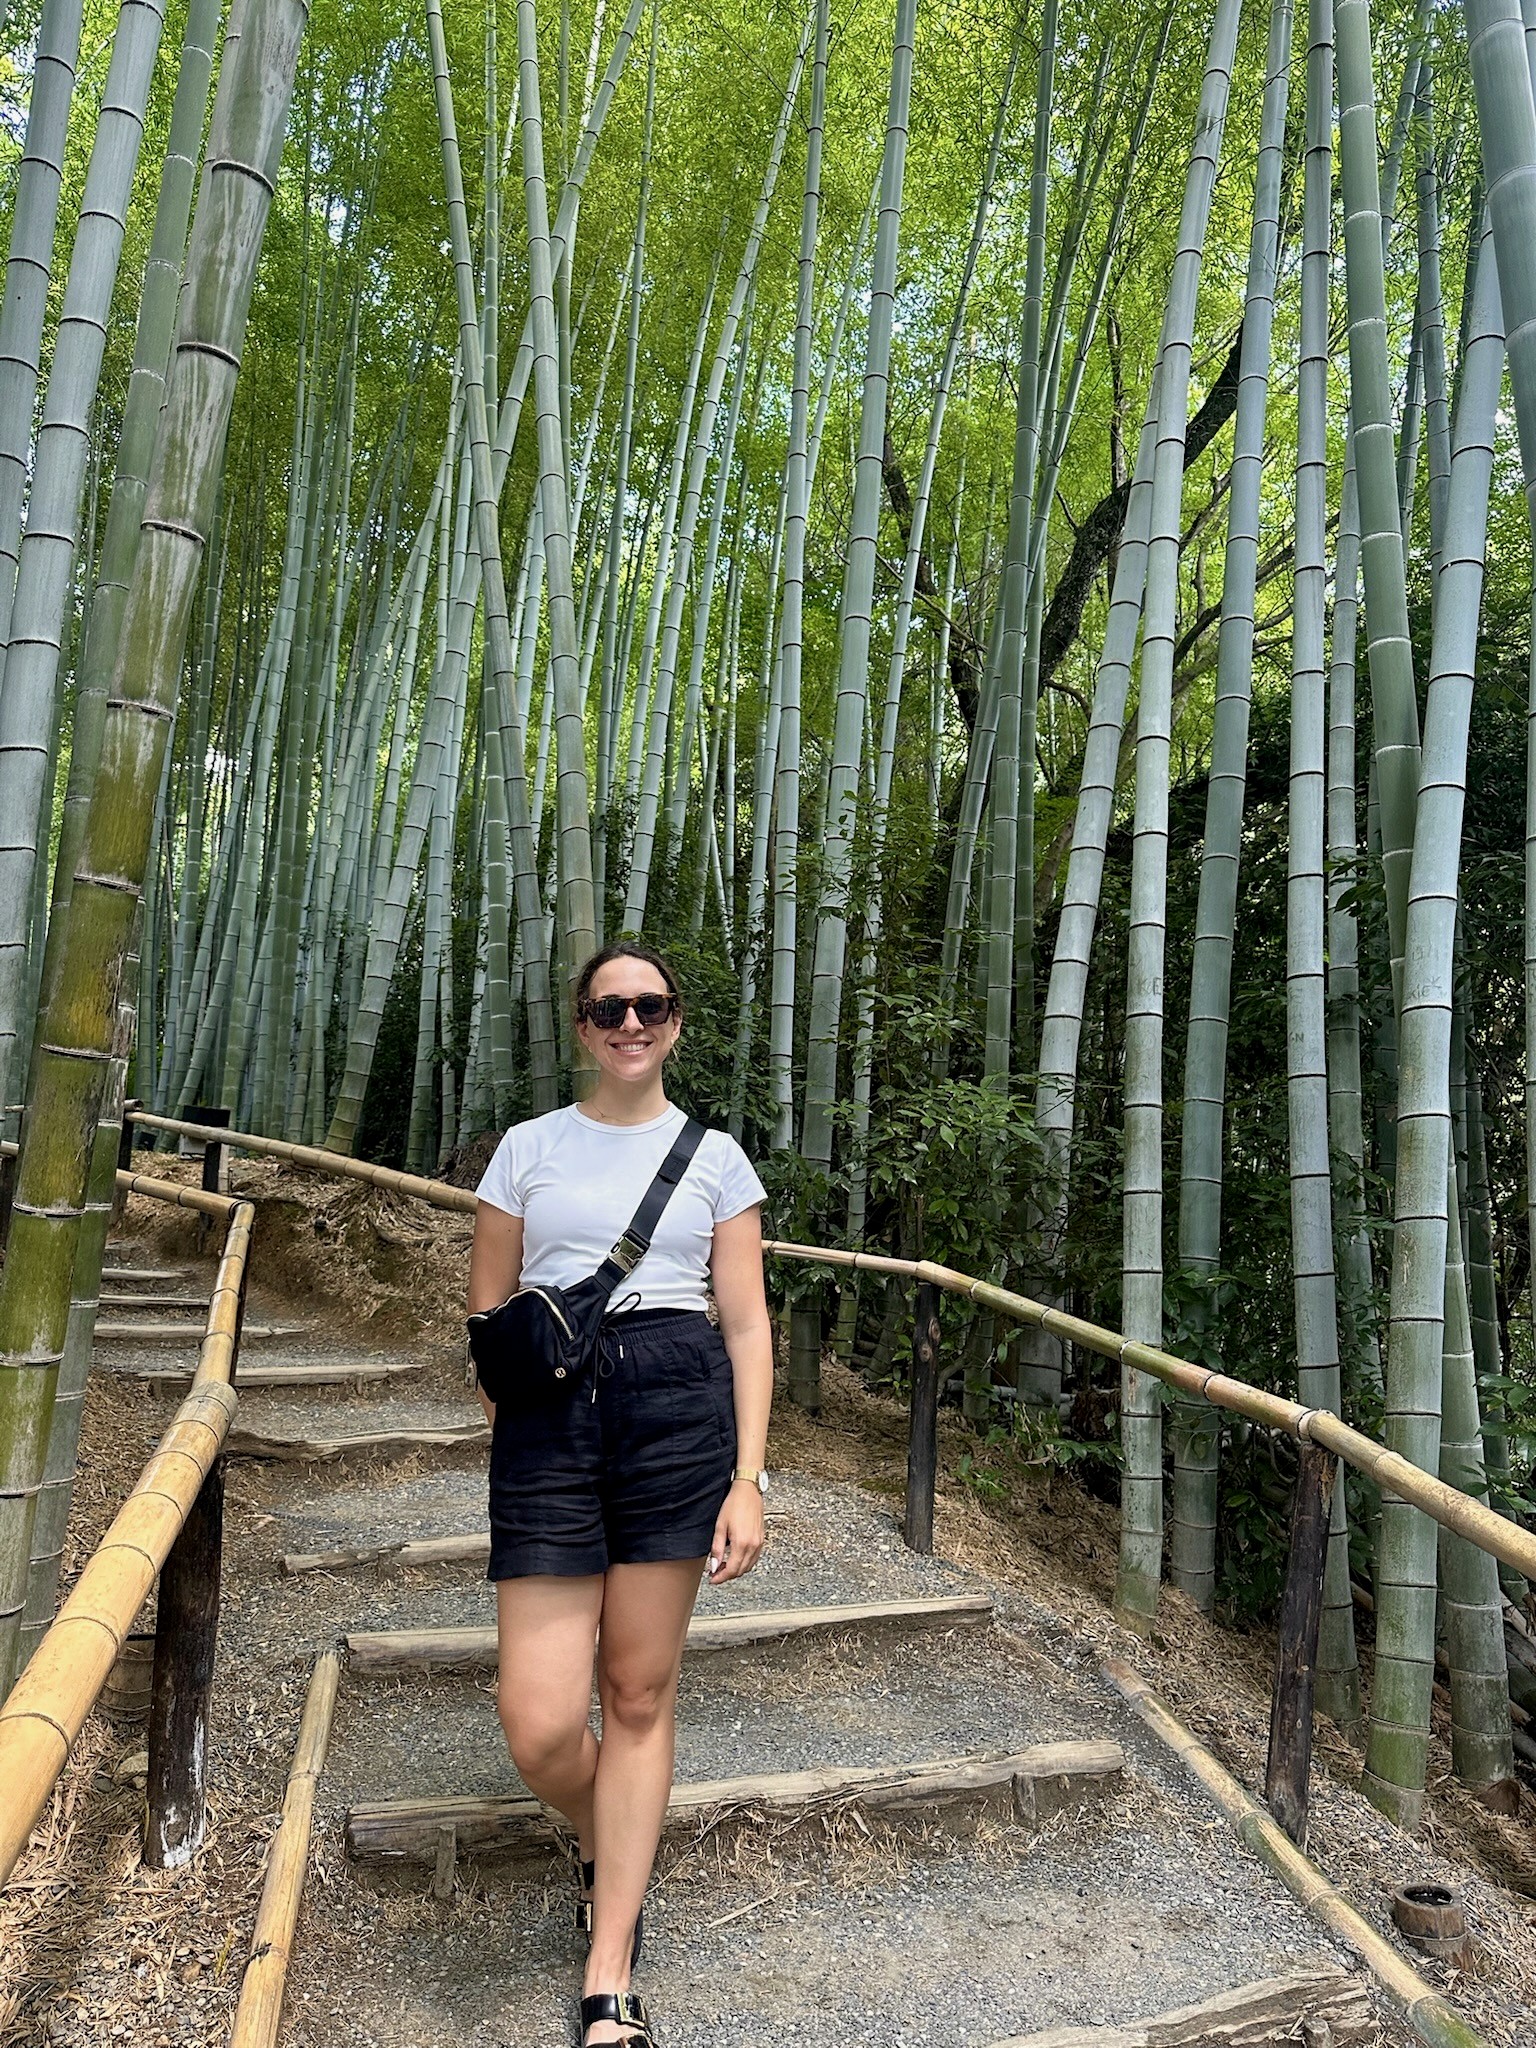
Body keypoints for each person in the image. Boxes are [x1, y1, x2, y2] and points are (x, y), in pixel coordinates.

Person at [468, 940, 773, 2048]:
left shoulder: (718, 1159)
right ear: (582, 1023)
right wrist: (521, 1436)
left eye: (651, 1004)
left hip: (678, 1406)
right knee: (540, 1718)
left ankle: (610, 1976)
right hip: (553, 1416)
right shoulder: (528, 1147)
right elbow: (491, 1313)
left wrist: (747, 1475)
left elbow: (745, 1323)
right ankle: (611, 1829)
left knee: (638, 1693)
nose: (631, 1021)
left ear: (676, 1020)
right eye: (610, 1006)